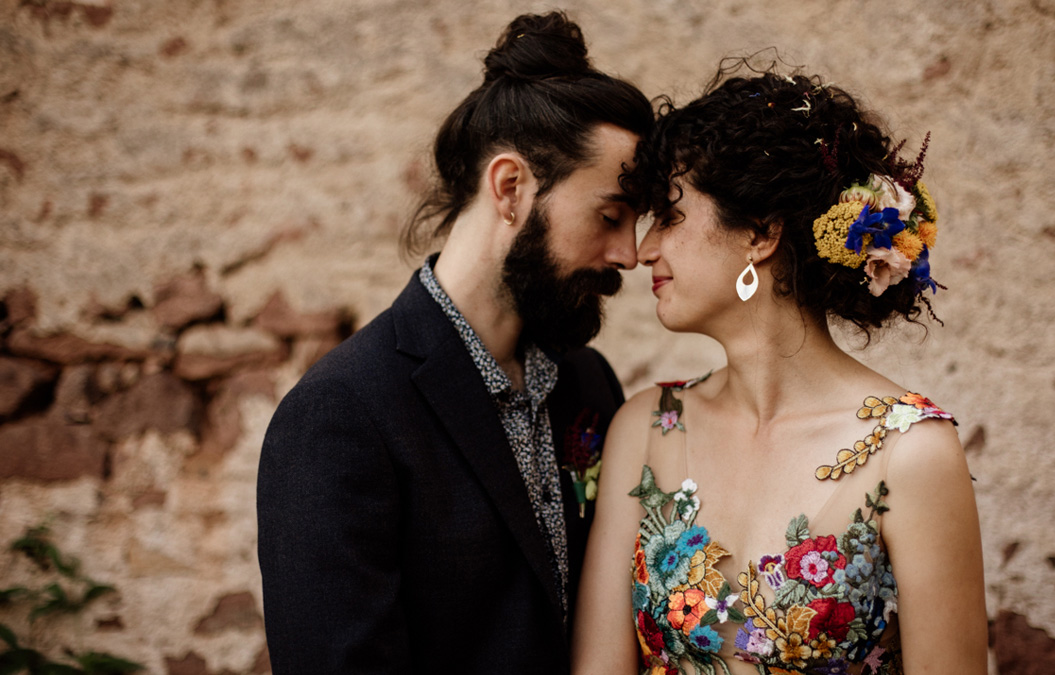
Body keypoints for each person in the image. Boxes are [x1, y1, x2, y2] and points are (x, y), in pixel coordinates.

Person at [257, 12, 653, 674]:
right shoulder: (341, 414)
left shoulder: (589, 384)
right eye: (609, 216)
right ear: (510, 187)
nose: (629, 254)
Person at [572, 63, 987, 675]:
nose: (643, 250)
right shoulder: (645, 429)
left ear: (761, 233)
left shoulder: (911, 453)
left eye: (669, 215)